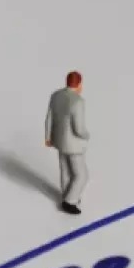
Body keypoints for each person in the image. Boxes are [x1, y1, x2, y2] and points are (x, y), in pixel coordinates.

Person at [45, 70, 90, 214]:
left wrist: (48, 137)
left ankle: (66, 195)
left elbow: (49, 118)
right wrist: (86, 135)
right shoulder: (78, 101)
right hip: (73, 145)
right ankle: (70, 200)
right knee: (81, 175)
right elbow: (79, 128)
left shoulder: (56, 95)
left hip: (59, 141)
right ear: (79, 84)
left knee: (65, 170)